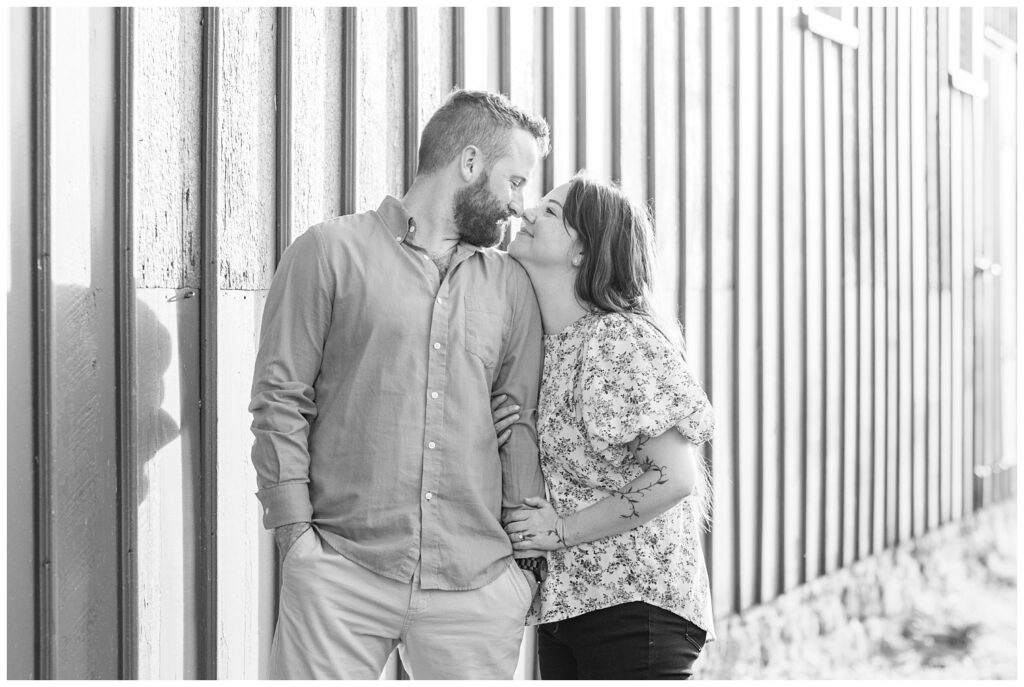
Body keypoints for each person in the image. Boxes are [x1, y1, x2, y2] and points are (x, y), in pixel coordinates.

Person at [249, 89, 551, 679]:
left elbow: (520, 426)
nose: (520, 206)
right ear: (469, 163)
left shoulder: (510, 286)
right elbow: (280, 400)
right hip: (340, 570)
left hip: (476, 585)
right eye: (514, 182)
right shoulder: (328, 253)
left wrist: (523, 571)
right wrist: (296, 541)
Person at [494, 173, 716, 679]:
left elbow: (674, 477)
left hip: (634, 608)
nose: (527, 212)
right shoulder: (550, 345)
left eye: (550, 213)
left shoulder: (614, 339)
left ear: (583, 252)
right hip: (570, 604)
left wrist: (561, 530)